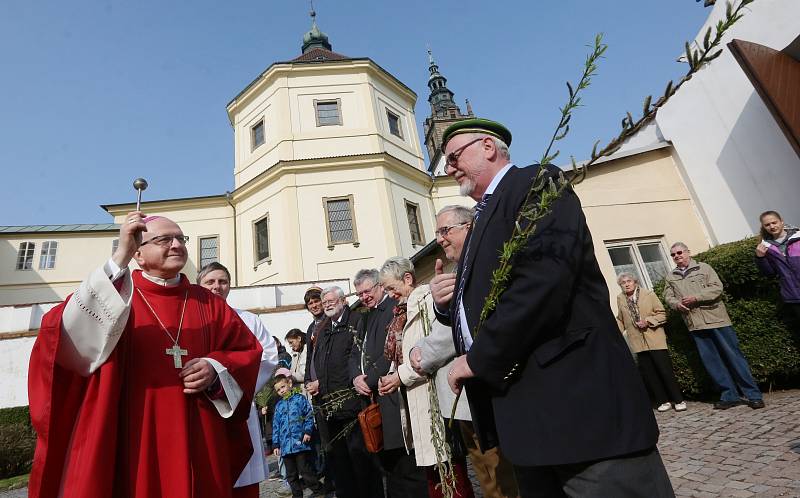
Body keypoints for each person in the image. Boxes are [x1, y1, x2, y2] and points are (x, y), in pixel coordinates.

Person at [430, 119, 672, 497]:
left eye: (454, 156)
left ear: (489, 147)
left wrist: (479, 358)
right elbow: (489, 300)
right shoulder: (480, 220)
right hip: (529, 421)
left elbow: (542, 280)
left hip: (578, 406)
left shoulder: (535, 183)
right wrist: (450, 304)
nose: (448, 168)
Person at [27, 213, 263, 498]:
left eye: (180, 239)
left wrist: (215, 368)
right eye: (164, 239)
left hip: (200, 434)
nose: (177, 245)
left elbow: (247, 351)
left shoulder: (210, 304)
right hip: (134, 431)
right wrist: (119, 258)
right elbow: (64, 333)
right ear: (138, 252)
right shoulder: (116, 297)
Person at [410, 205, 520, 498]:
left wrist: (420, 354)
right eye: (437, 233)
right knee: (487, 477)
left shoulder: (481, 268)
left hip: (484, 391)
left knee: (502, 479)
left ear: (469, 227)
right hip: (463, 397)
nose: (440, 239)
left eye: (446, 231)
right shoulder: (456, 272)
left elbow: (453, 333)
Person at [378, 257, 474, 498]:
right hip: (414, 399)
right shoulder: (400, 312)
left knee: (449, 469)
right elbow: (401, 353)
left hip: (434, 396)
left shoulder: (427, 301)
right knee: (432, 472)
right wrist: (391, 375)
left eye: (391, 288)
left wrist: (400, 376)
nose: (389, 294)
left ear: (407, 279)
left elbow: (429, 354)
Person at [198, 261, 280, 497]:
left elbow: (268, 356)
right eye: (210, 281)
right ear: (199, 284)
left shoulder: (249, 320)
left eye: (222, 281)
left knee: (242, 481)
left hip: (238, 407)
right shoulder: (189, 318)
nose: (217, 287)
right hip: (200, 407)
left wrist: (230, 386)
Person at [349, 268, 428, 497]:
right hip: (374, 397)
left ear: (380, 287)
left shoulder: (392, 311)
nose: (364, 297)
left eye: (367, 291)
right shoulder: (365, 316)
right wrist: (356, 377)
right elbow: (354, 353)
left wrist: (370, 380)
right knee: (388, 465)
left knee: (406, 463)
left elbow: (392, 353)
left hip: (392, 395)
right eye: (359, 294)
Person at [664, 242, 765, 410]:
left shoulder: (704, 268)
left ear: (688, 252)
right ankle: (729, 395)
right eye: (673, 254)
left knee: (734, 357)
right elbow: (668, 296)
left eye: (680, 252)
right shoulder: (670, 276)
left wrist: (696, 297)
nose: (677, 256)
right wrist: (676, 304)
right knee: (712, 363)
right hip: (695, 323)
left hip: (717, 320)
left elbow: (717, 288)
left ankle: (753, 395)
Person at [306, 286, 383, 498]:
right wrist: (315, 382)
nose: (327, 304)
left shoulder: (357, 320)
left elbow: (358, 356)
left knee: (363, 463)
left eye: (332, 300)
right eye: (325, 301)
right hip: (329, 408)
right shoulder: (322, 328)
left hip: (352, 404)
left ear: (343, 301)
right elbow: (315, 361)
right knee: (340, 465)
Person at [615, 272, 686, 413]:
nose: (627, 284)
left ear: (635, 282)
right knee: (650, 373)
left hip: (654, 338)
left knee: (665, 370)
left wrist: (648, 321)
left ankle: (678, 400)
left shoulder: (649, 294)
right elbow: (620, 319)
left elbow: (662, 313)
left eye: (629, 281)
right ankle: (663, 401)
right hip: (637, 341)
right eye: (623, 282)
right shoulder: (620, 299)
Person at [271, 368, 326, 498]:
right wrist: (276, 444)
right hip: (285, 446)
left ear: (289, 384)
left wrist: (307, 431)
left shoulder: (299, 399)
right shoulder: (279, 406)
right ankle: (297, 495)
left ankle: (318, 490)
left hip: (299, 443)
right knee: (291, 475)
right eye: (278, 390)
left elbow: (308, 415)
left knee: (304, 470)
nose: (282, 391)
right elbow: (276, 426)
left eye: (283, 387)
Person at [755, 211, 800, 322]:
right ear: (764, 227)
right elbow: (769, 273)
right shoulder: (765, 247)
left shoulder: (798, 238)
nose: (772, 226)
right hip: (793, 296)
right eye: (767, 225)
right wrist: (760, 258)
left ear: (781, 221)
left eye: (774, 222)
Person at [285, 329, 309, 397]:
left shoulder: (307, 350)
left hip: (306, 392)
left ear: (299, 338)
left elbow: (305, 374)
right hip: (297, 392)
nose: (290, 345)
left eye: (291, 342)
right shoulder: (295, 353)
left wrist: (290, 377)